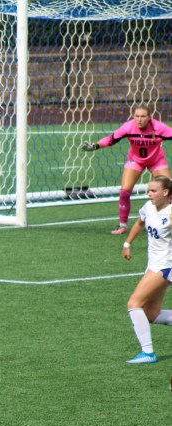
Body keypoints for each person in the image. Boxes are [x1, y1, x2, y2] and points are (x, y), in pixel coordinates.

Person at [81, 105, 172, 235]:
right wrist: (95, 146)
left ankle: (169, 220)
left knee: (169, 190)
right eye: (137, 116)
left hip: (156, 161)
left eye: (143, 116)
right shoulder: (128, 127)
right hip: (135, 161)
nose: (139, 119)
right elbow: (111, 139)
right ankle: (122, 225)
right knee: (124, 191)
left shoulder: (158, 127)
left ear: (149, 118)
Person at [121, 176, 172, 364]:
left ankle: (148, 353)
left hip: (165, 266)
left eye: (153, 191)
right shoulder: (149, 207)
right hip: (153, 264)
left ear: (165, 193)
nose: (148, 194)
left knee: (134, 303)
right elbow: (140, 223)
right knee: (152, 314)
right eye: (148, 190)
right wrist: (127, 243)